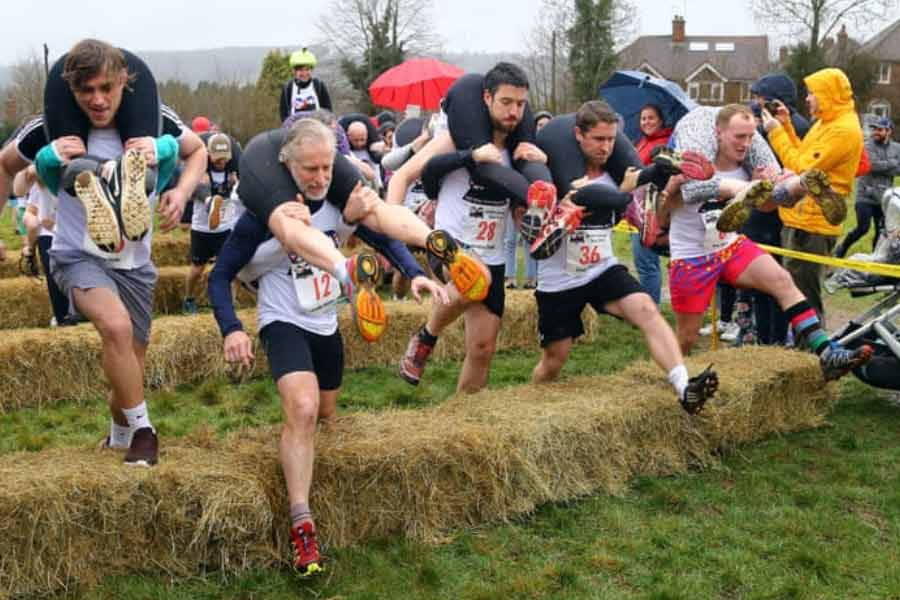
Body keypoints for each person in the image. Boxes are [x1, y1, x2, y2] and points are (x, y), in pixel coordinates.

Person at [209, 118, 478, 576]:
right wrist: (232, 327)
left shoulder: (341, 203)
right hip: (283, 319)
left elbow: (384, 238)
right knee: (303, 409)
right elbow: (219, 274)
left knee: (327, 414)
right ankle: (302, 521)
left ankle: (316, 473)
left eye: (326, 167)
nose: (318, 178)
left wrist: (414, 273)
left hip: (325, 322)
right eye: (308, 169)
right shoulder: (265, 212)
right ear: (287, 165)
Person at [0, 39, 206, 466]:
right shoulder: (50, 125)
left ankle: (118, 432)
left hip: (136, 263)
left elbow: (200, 149)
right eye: (86, 90)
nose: (98, 100)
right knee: (114, 327)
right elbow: (5, 164)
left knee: (128, 370)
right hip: (76, 255)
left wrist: (181, 192)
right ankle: (145, 431)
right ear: (72, 90)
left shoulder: (153, 118)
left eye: (106, 89)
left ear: (124, 83)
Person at [531, 100, 719, 413]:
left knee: (646, 308)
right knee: (554, 359)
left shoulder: (618, 170)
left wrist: (656, 181)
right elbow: (588, 196)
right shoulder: (561, 171)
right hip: (560, 280)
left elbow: (642, 217)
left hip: (601, 269)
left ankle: (685, 386)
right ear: (578, 135)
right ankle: (530, 406)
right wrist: (631, 185)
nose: (606, 147)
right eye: (598, 139)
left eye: (611, 139)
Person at [665, 103, 871, 379]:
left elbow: (767, 207)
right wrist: (671, 190)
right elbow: (681, 199)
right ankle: (672, 381)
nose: (745, 144)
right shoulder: (690, 163)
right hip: (692, 255)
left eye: (751, 137)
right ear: (719, 133)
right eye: (739, 137)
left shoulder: (748, 164)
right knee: (687, 336)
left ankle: (827, 351)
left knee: (782, 281)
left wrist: (781, 187)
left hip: (729, 246)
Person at [388, 62, 551, 393]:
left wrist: (540, 164)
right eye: (506, 102)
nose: (513, 112)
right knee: (476, 280)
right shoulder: (454, 139)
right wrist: (391, 225)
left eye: (520, 104)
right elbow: (404, 175)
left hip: (492, 252)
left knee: (482, 349)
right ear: (487, 98)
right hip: (448, 245)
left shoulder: (520, 152)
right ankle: (425, 336)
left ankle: (465, 415)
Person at [762, 67, 863, 323]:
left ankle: (812, 353)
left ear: (828, 94)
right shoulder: (826, 122)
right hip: (800, 217)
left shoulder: (842, 130)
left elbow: (803, 169)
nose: (807, 99)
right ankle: (801, 346)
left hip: (813, 224)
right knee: (794, 291)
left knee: (803, 296)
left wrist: (775, 131)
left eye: (812, 93)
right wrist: (786, 125)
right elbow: (804, 153)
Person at [182, 132, 243, 314]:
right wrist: (203, 189)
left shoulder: (233, 169)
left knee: (234, 270)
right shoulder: (201, 168)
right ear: (209, 155)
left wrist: (234, 185)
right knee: (197, 269)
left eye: (224, 160)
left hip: (226, 227)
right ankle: (189, 299)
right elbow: (189, 190)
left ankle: (229, 303)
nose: (221, 163)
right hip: (202, 227)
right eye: (217, 160)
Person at [835, 117, 900, 258]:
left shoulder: (897, 148)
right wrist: (893, 163)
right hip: (865, 195)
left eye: (880, 129)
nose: (875, 132)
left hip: (884, 198)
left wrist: (888, 165)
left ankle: (875, 258)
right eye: (874, 129)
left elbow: (898, 170)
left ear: (888, 131)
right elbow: (872, 165)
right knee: (862, 228)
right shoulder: (866, 146)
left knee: (881, 231)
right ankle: (842, 249)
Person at [629, 103, 672, 304]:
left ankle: (650, 308)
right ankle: (647, 306)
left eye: (651, 118)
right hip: (636, 208)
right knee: (642, 261)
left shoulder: (665, 143)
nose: (646, 122)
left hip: (651, 209)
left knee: (647, 263)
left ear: (660, 120)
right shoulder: (642, 142)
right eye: (643, 118)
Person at [279, 48, 332, 121]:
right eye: (300, 70)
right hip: (297, 128)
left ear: (311, 70)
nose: (304, 73)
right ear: (294, 71)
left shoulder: (319, 85)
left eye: (307, 70)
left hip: (318, 127)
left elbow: (328, 110)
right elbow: (284, 113)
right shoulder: (288, 88)